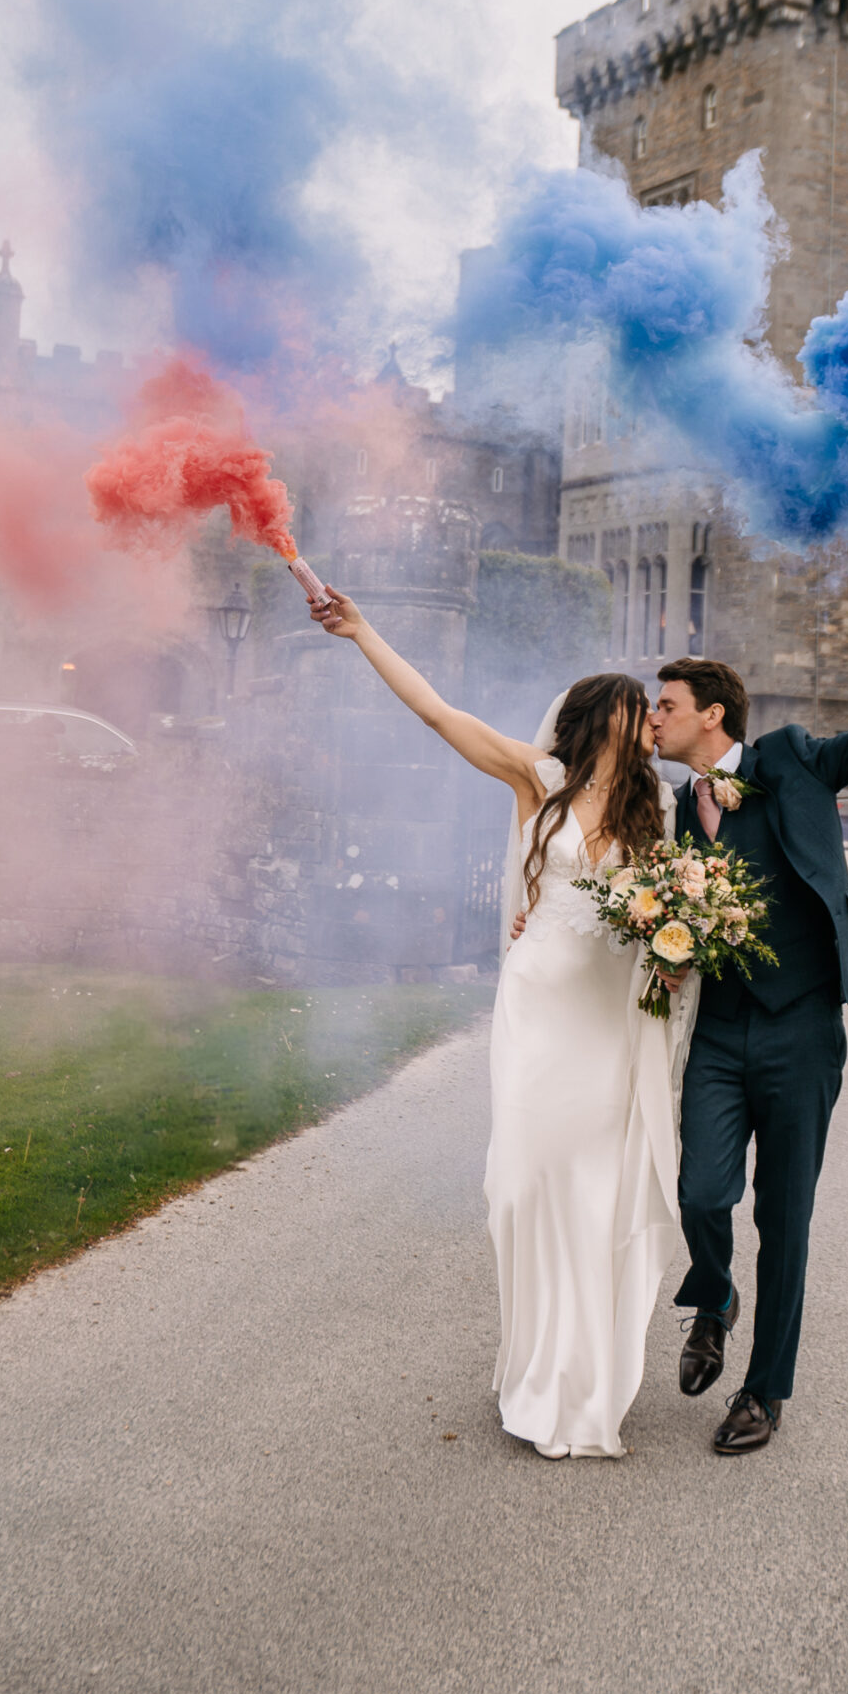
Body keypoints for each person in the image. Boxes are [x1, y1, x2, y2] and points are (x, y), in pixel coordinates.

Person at [309, 588, 683, 1458]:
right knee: (520, 1184)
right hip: (539, 1003)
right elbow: (438, 713)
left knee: (591, 1193)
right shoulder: (536, 778)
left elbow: (672, 905)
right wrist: (363, 630)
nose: (649, 723)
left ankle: (581, 1382)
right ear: (601, 720)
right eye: (637, 710)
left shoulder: (652, 810)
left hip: (608, 1014)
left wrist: (680, 934)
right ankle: (531, 1360)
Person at [647, 564, 848, 1454]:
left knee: (783, 1218)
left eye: (665, 703)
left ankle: (762, 1392)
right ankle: (713, 1296)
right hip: (715, 1030)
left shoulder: (793, 757)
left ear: (712, 714)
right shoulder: (672, 807)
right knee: (701, 1192)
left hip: (802, 1028)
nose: (653, 716)